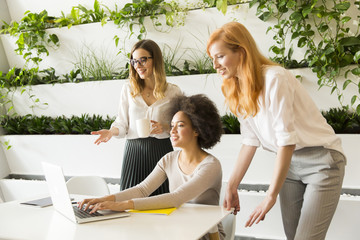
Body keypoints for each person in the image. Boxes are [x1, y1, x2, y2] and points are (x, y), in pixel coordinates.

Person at [206, 22, 346, 240]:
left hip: (322, 161)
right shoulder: (237, 89)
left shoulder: (275, 78)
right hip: (290, 166)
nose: (215, 64)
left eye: (220, 56)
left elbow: (286, 141)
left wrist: (270, 196)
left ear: (241, 52)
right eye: (212, 58)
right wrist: (232, 186)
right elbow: (250, 141)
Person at [80, 94, 225, 240]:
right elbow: (142, 189)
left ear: (197, 130)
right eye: (172, 125)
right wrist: (103, 199)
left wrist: (123, 205)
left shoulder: (210, 165)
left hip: (206, 234)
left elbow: (176, 198)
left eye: (180, 125)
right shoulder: (169, 159)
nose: (172, 131)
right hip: (178, 228)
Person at [91, 39, 182, 195]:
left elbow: (180, 126)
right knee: (129, 205)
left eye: (143, 60)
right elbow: (122, 122)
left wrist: (165, 127)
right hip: (134, 154)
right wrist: (111, 132)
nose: (138, 66)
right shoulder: (128, 89)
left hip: (162, 152)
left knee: (162, 204)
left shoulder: (173, 92)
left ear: (156, 60)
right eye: (134, 61)